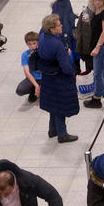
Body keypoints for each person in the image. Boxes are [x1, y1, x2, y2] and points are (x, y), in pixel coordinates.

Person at [35, 14, 78, 142]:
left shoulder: (42, 37)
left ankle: (52, 129)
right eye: (59, 25)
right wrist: (72, 71)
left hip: (48, 77)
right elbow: (65, 67)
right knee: (60, 106)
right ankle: (62, 134)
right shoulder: (57, 45)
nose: (62, 26)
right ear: (52, 29)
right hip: (59, 79)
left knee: (53, 104)